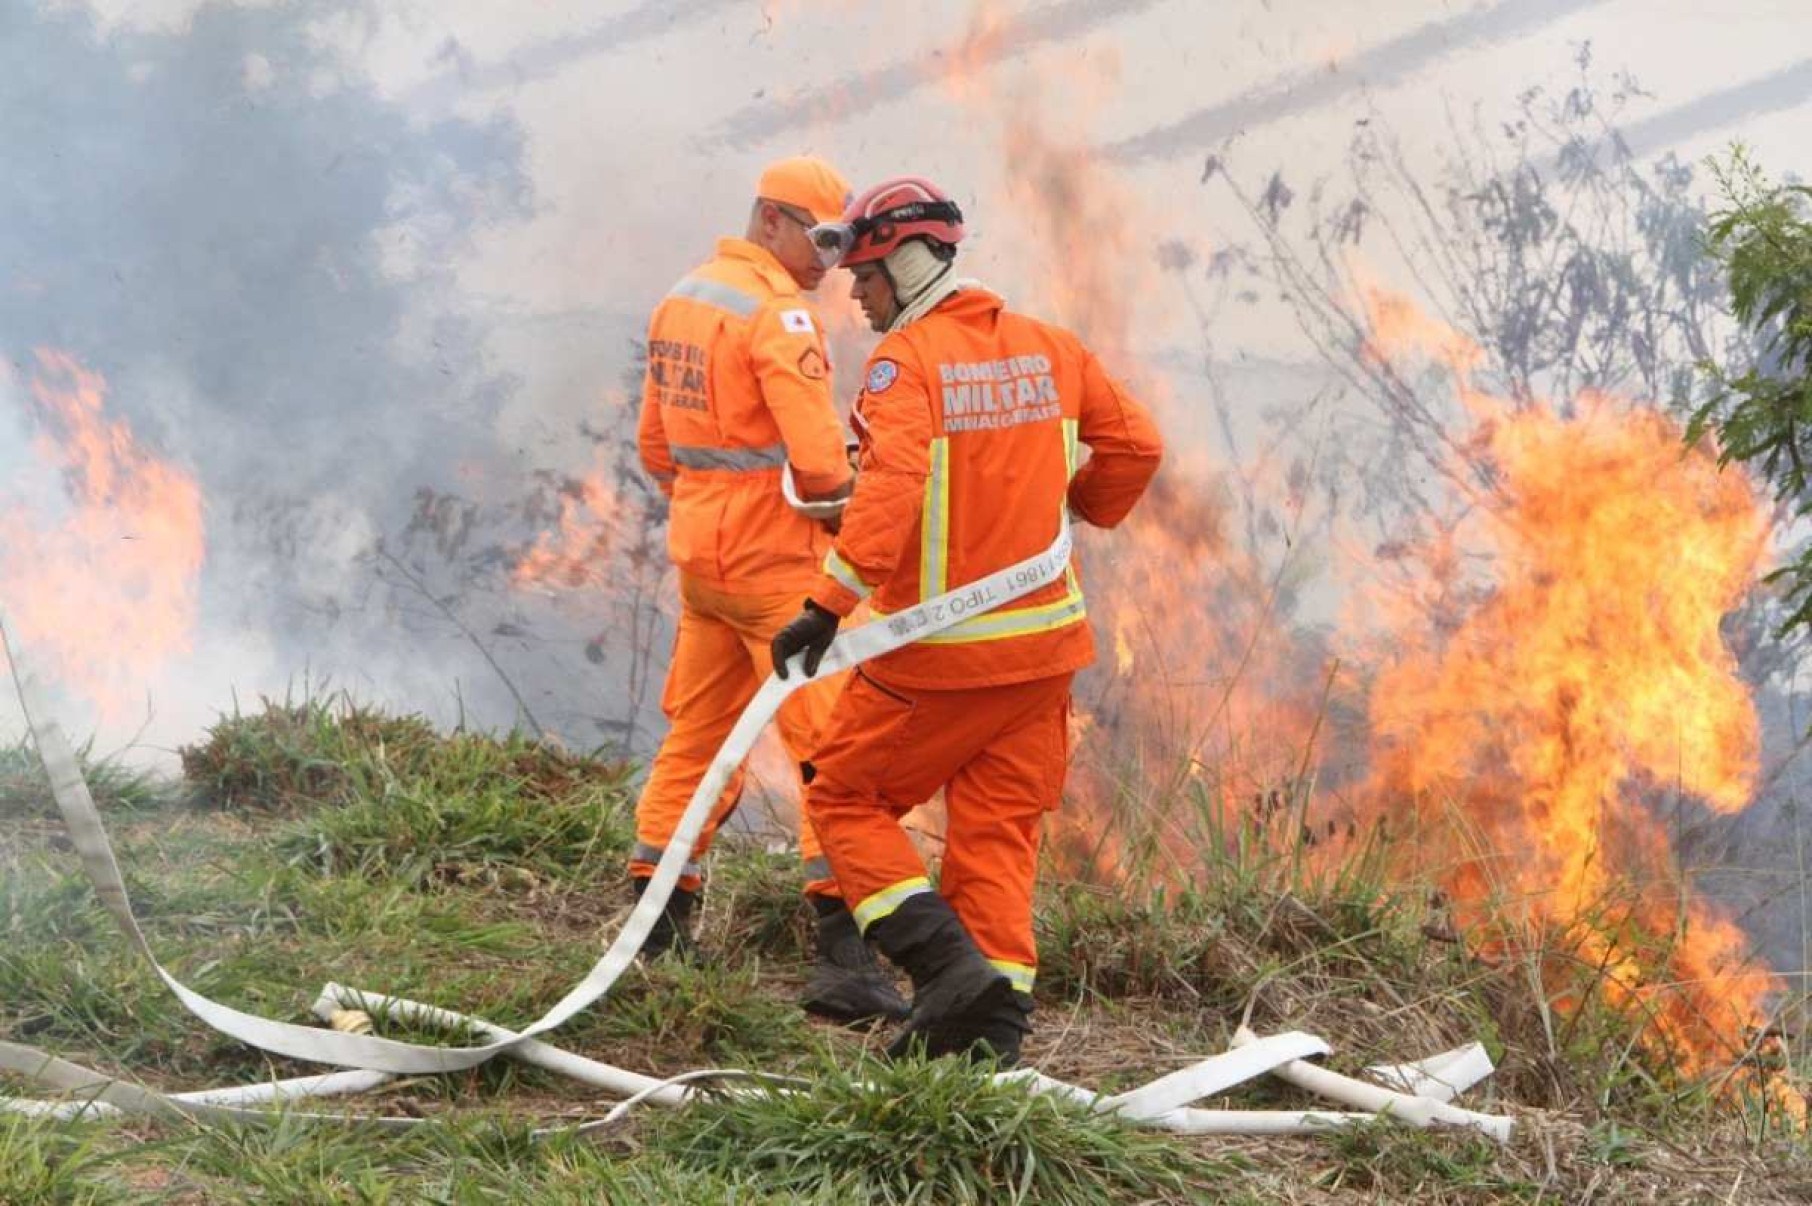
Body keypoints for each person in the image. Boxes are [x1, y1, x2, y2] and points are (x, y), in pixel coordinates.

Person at [771, 176, 1164, 1066]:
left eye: (865, 277)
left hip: (936, 661)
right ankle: (987, 1040)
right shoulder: (1052, 350)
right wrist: (1078, 506)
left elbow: (893, 491)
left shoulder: (904, 366)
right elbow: (1138, 448)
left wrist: (827, 604)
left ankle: (941, 965)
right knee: (995, 837)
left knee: (843, 796)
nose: (857, 298)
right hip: (1044, 658)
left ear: (906, 265)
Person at [632, 155, 906, 1026]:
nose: (832, 259)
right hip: (777, 570)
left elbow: (654, 450)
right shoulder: (780, 314)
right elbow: (822, 465)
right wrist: (855, 526)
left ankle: (656, 924)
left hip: (702, 563)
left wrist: (710, 511)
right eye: (822, 237)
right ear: (771, 221)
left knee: (700, 738)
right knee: (835, 753)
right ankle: (845, 955)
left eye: (842, 242)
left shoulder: (683, 297)